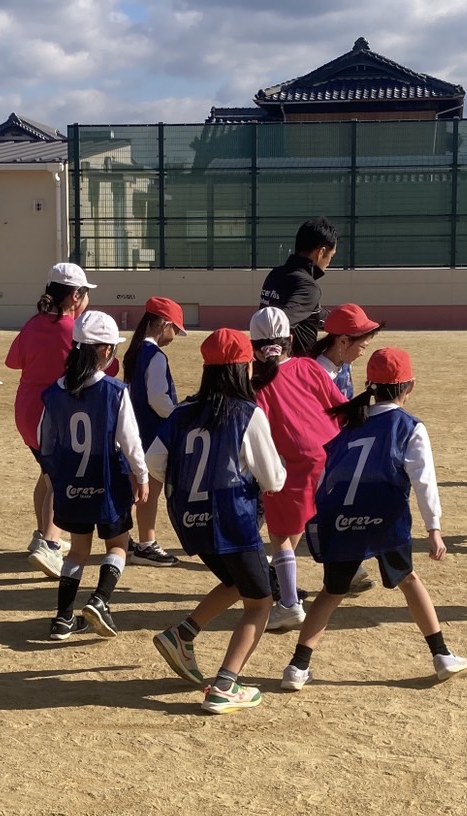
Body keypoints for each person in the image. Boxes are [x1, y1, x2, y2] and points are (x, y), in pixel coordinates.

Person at [282, 347, 467, 691]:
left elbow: (327, 479)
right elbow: (423, 480)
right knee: (409, 580)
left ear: (370, 385)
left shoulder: (351, 424)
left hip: (343, 518)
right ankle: (441, 654)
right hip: (384, 520)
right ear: (409, 386)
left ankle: (297, 667)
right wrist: (434, 528)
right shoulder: (408, 426)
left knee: (331, 592)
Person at [146, 328, 288, 714]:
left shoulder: (182, 412)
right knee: (260, 603)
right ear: (244, 367)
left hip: (190, 522)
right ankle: (226, 683)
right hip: (234, 522)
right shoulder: (247, 412)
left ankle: (182, 634)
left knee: (234, 582)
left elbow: (154, 464)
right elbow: (274, 479)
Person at [36, 310, 150, 642]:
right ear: (104, 351)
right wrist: (141, 476)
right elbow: (130, 441)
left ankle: (62, 619)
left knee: (77, 551)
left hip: (72, 480)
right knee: (117, 545)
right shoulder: (115, 391)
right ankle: (100, 599)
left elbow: (46, 440)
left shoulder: (55, 391)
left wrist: (56, 476)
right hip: (108, 479)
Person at [250, 306, 351, 632]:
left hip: (293, 462)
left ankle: (290, 603)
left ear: (253, 346)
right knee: (303, 527)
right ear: (291, 339)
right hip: (330, 454)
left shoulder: (257, 383)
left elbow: (259, 428)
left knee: (280, 536)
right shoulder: (309, 366)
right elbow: (340, 407)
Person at [6, 262, 96, 580]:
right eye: (85, 294)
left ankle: (42, 534)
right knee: (62, 479)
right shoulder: (74, 330)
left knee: (48, 475)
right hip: (53, 413)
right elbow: (98, 372)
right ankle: (51, 544)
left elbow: (12, 360)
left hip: (26, 410)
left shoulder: (34, 324)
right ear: (75, 295)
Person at [121, 296, 186, 568]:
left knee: (133, 488)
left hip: (135, 430)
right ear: (164, 324)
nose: (175, 336)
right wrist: (179, 415)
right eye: (175, 330)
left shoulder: (135, 351)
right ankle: (146, 543)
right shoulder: (156, 355)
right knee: (150, 492)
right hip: (154, 434)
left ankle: (124, 540)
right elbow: (158, 399)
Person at [259, 217, 338, 357]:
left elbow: (311, 313)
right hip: (292, 370)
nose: (329, 263)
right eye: (331, 256)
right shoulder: (308, 286)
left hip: (265, 362)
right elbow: (278, 323)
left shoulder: (275, 274)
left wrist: (341, 320)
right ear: (320, 252)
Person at [307, 302, 382, 398]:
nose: (362, 354)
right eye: (362, 347)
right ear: (343, 342)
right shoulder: (317, 375)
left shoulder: (344, 364)